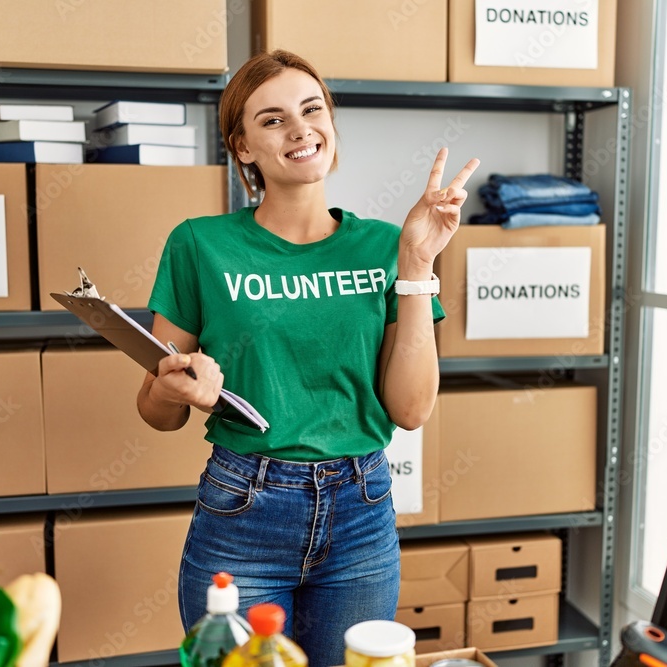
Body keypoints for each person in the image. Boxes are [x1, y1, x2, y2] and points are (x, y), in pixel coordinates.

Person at [137, 49, 479, 667]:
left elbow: (410, 408)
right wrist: (173, 389)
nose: (299, 129)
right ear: (242, 147)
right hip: (243, 510)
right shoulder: (199, 244)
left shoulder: (387, 244)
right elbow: (157, 410)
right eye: (271, 120)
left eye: (312, 109)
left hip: (361, 511)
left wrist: (417, 267)